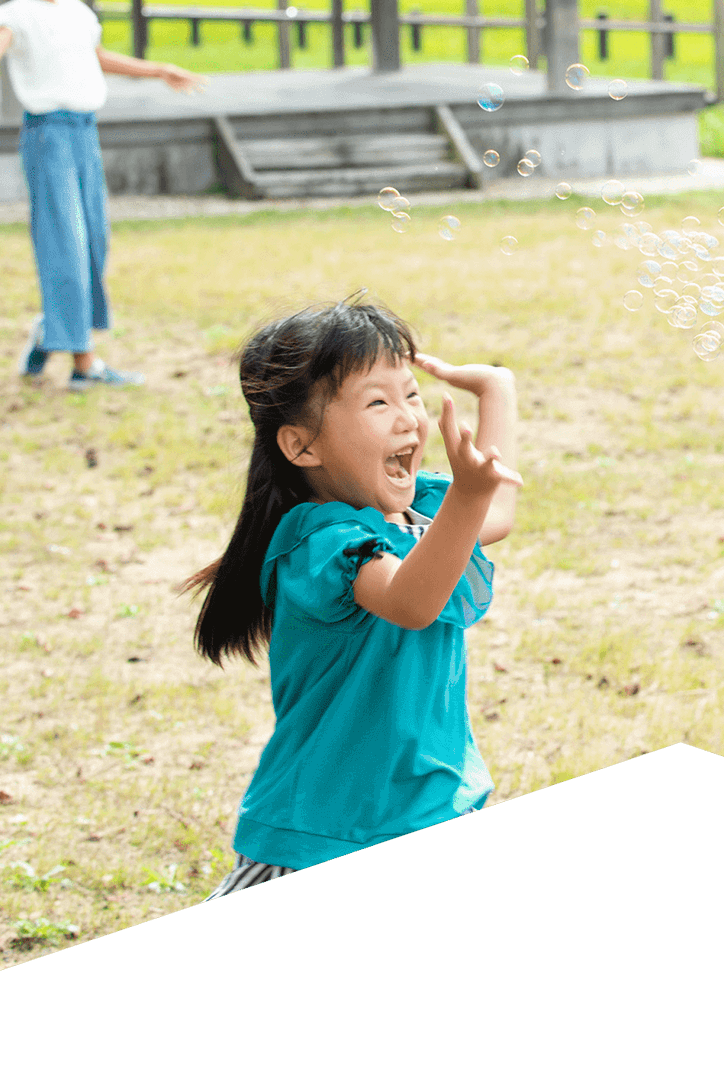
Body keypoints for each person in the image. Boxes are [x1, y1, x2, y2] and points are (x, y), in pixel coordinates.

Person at [183, 293, 522, 897]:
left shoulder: (412, 507)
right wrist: (468, 497)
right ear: (302, 447)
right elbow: (411, 602)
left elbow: (493, 510)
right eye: (377, 402)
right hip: (323, 832)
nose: (409, 418)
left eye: (411, 394)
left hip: (429, 800)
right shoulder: (320, 542)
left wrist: (497, 390)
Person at [0, 0, 207, 390]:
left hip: (85, 134)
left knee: (94, 242)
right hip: (49, 136)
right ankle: (84, 364)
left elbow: (97, 58)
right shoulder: (16, 14)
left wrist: (159, 70)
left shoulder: (78, 13)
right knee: (67, 243)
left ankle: (51, 333)